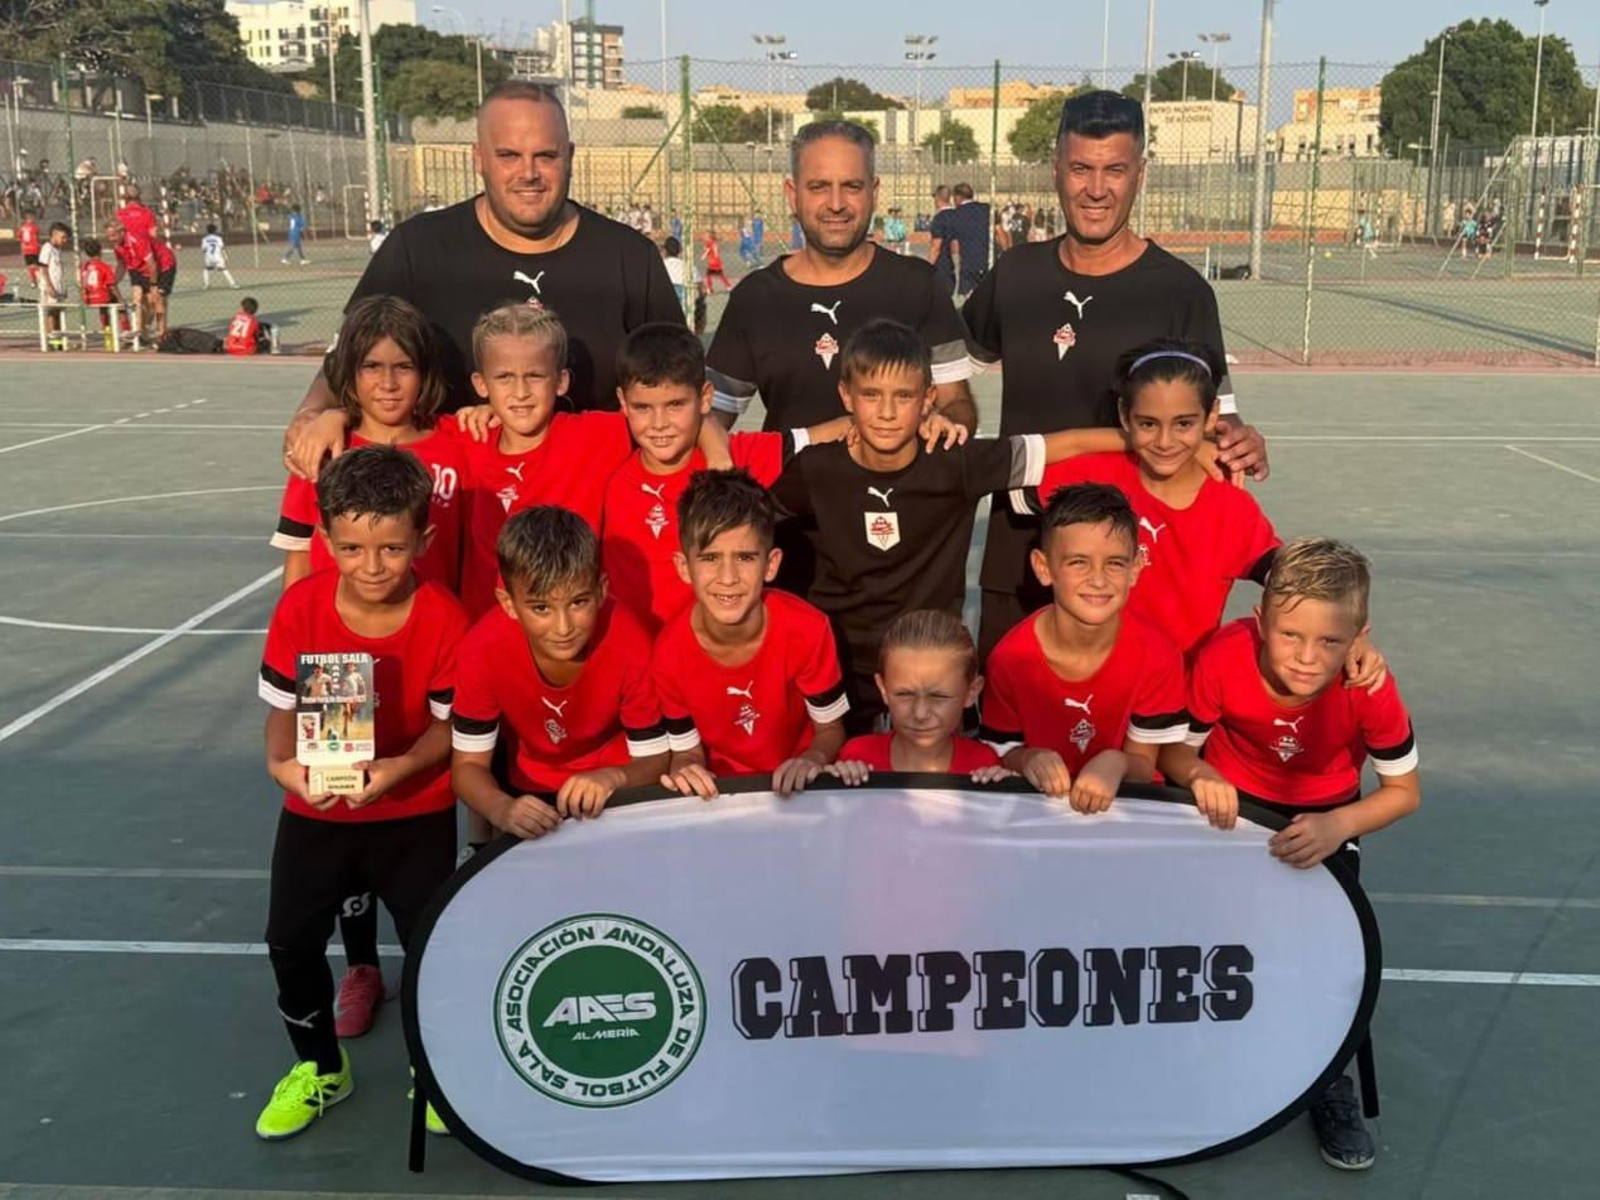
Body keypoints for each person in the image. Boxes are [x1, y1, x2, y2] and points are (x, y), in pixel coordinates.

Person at [962, 90, 1268, 663]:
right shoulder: (1017, 275)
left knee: (1128, 746)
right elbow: (950, 374)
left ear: (1140, 174)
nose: (1096, 189)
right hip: (1019, 551)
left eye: (1114, 171)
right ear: (1056, 168)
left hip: (1127, 573)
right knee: (1011, 741)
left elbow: (1216, 419)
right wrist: (944, 416)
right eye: (1080, 168)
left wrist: (1239, 437)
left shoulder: (1180, 292)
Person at [1158, 537, 1420, 1171]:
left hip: (1324, 816)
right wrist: (1199, 778)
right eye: (1291, 636)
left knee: (1323, 957)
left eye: (1330, 641)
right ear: (1260, 623)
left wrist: (1337, 827)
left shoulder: (1368, 688)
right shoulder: (1224, 658)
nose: (1307, 657)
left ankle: (1329, 1081)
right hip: (1228, 805)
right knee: (1206, 940)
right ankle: (1197, 1063)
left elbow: (1404, 793)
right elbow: (1173, 752)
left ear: (1358, 635)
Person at [284, 81, 681, 479]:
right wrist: (314, 413)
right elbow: (347, 359)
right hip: (454, 504)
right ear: (479, 158)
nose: (529, 173)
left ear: (570, 156)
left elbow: (678, 385)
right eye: (509, 155)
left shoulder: (629, 256)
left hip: (590, 505)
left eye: (546, 156)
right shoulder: (417, 248)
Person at [254, 446, 469, 1141]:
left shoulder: (445, 618)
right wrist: (282, 767)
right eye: (351, 547)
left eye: (391, 548)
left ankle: (435, 1069)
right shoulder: (301, 609)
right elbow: (282, 711)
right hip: (317, 809)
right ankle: (321, 1068)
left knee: (430, 942)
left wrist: (400, 769)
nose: (371, 566)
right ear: (325, 539)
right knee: (289, 940)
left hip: (414, 810)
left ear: (423, 541)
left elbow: (450, 729)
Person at [770, 320, 1123, 732]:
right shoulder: (815, 469)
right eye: (871, 395)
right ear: (847, 396)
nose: (886, 412)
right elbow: (750, 515)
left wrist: (1154, 440)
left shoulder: (954, 461)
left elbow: (1064, 445)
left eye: (903, 396)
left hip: (933, 670)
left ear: (928, 401)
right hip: (840, 668)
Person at [708, 121, 977, 436]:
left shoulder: (918, 286)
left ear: (874, 193)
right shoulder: (755, 298)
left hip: (900, 486)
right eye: (818, 186)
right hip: (791, 484)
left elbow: (956, 401)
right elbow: (711, 420)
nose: (836, 204)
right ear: (792, 195)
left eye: (852, 186)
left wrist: (948, 426)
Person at [600, 321, 847, 636]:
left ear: (705, 398)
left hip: (714, 657)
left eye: (675, 404)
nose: (659, 423)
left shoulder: (737, 456)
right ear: (623, 402)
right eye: (642, 407)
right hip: (635, 661)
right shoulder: (608, 462)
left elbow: (836, 431)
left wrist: (922, 423)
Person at [450, 506, 670, 838]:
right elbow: (467, 768)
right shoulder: (482, 648)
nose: (564, 626)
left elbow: (656, 760)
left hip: (618, 788)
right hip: (527, 792)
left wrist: (612, 778)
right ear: (508, 603)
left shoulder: (628, 639)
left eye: (578, 602)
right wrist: (502, 808)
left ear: (601, 590)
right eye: (541, 608)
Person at [979, 483, 1187, 810]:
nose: (1099, 579)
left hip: (1124, 810)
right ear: (1044, 568)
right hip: (1040, 810)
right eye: (1079, 562)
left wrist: (1116, 762)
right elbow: (1000, 754)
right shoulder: (1010, 658)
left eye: (1115, 563)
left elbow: (1144, 766)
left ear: (1135, 569)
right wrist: (1029, 758)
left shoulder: (1158, 655)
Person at [654, 470, 850, 796]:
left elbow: (830, 729)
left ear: (770, 564)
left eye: (744, 557)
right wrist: (686, 770)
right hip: (719, 797)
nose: (728, 577)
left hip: (797, 790)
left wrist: (813, 759)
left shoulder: (808, 628)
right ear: (684, 567)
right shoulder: (668, 652)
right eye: (710, 558)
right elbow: (687, 751)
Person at [455, 304, 640, 622]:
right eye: (504, 378)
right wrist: (338, 415)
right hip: (486, 634)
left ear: (561, 380)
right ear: (480, 384)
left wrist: (718, 451)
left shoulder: (594, 436)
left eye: (535, 376)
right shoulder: (467, 436)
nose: (520, 392)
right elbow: (390, 430)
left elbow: (674, 420)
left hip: (569, 630)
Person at [271, 296, 466, 596]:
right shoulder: (321, 447)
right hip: (338, 634)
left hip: (431, 631)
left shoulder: (461, 442)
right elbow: (299, 554)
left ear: (425, 373)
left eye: (403, 367)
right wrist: (295, 627)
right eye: (372, 366)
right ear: (350, 373)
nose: (388, 383)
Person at [829, 609, 1008, 780]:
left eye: (939, 697)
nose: (920, 713)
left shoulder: (983, 765)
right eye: (904, 694)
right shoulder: (857, 757)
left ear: (972, 692)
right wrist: (837, 787)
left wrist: (1006, 797)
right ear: (882, 688)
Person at [104, 217, 157, 342]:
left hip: (150, 271)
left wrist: (153, 283)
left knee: (151, 303)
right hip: (136, 271)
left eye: (113, 235)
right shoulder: (117, 246)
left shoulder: (136, 241)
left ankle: (146, 327)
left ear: (122, 232)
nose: (110, 239)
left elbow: (152, 264)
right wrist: (114, 281)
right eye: (108, 236)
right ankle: (138, 331)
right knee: (137, 299)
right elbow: (121, 265)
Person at [78, 237, 126, 349]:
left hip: (88, 298)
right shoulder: (104, 267)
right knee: (120, 307)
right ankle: (126, 334)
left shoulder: (84, 267)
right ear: (100, 251)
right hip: (101, 297)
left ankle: (107, 337)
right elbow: (112, 285)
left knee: (103, 309)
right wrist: (120, 299)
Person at [37, 222, 70, 348]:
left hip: (58, 286)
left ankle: (59, 338)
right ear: (55, 235)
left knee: (58, 312)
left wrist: (63, 287)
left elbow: (59, 270)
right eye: (63, 237)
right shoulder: (47, 248)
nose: (65, 240)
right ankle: (52, 340)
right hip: (50, 287)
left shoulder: (58, 250)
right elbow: (43, 269)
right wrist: (49, 286)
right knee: (51, 312)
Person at [927, 183, 955, 294]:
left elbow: (936, 247)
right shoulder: (958, 214)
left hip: (943, 264)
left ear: (937, 198)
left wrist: (928, 267)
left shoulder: (939, 218)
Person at [201, 223, 240, 290]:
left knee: (206, 270)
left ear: (207, 231)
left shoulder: (204, 239)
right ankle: (233, 284)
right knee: (223, 269)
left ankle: (206, 284)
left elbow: (204, 250)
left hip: (209, 257)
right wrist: (226, 256)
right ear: (215, 230)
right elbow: (222, 248)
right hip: (218, 256)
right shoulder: (218, 238)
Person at [18, 210, 40, 292]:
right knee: (36, 266)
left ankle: (33, 281)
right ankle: (37, 280)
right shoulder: (35, 227)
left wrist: (22, 247)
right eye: (33, 217)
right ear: (30, 218)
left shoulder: (22, 228)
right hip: (34, 248)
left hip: (26, 249)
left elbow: (20, 238)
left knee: (30, 266)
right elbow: (36, 237)